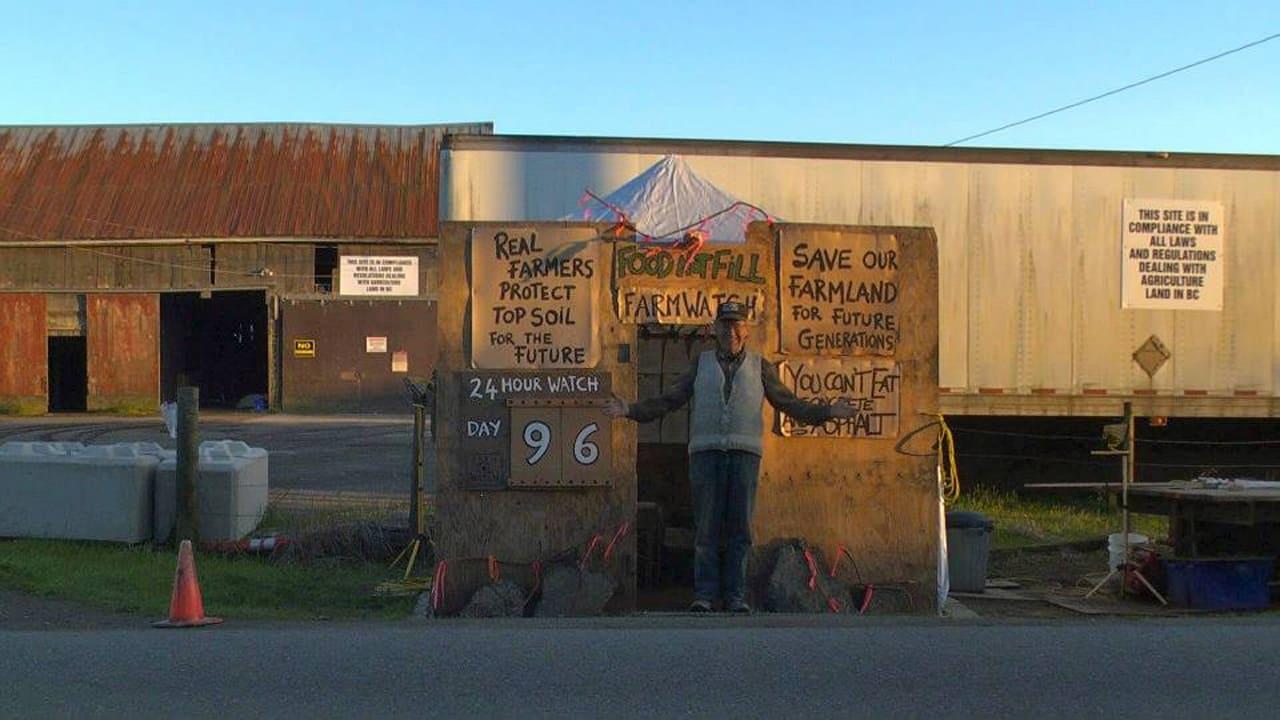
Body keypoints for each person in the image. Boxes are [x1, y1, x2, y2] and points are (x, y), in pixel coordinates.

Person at [605, 301, 855, 612]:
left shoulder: (760, 366)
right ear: (715, 330)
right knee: (706, 529)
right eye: (725, 325)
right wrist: (630, 410)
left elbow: (790, 404)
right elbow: (669, 400)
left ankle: (736, 596)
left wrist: (827, 412)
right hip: (705, 455)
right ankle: (705, 595)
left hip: (744, 455)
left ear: (746, 330)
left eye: (737, 325)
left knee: (740, 530)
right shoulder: (701, 364)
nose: (731, 331)